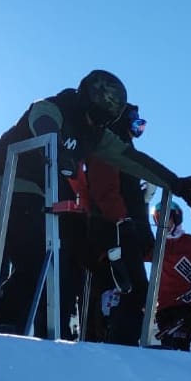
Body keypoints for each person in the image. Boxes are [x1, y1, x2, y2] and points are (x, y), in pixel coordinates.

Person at [0, 70, 191, 337]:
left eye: (107, 117)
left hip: (41, 193)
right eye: (98, 113)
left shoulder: (95, 134)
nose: (99, 122)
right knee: (37, 256)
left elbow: (131, 159)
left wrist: (178, 185)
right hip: (0, 181)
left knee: (60, 260)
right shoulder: (55, 107)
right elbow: (43, 124)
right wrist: (59, 151)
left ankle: (14, 324)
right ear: (87, 100)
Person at [80, 103, 155, 346]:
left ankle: (122, 342)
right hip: (114, 232)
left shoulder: (123, 149)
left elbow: (123, 191)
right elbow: (105, 189)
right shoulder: (108, 146)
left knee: (134, 292)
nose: (138, 128)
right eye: (135, 122)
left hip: (124, 230)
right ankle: (117, 345)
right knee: (127, 290)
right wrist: (122, 221)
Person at [153, 202, 191, 350]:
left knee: (179, 345)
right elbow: (141, 255)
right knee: (168, 347)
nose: (162, 222)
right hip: (164, 308)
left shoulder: (190, 242)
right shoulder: (158, 244)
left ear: (176, 218)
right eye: (158, 218)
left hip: (188, 306)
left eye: (166, 218)